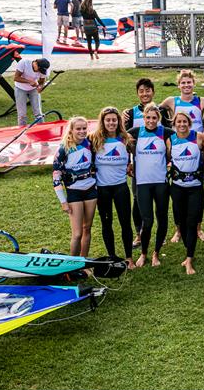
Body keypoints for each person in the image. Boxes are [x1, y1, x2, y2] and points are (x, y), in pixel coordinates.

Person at [160, 70, 204, 242]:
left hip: (196, 145)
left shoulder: (202, 101)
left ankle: (198, 228)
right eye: (183, 83)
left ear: (194, 84)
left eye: (189, 82)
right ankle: (178, 230)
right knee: (178, 196)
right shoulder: (171, 101)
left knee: (197, 193)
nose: (186, 85)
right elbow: (155, 111)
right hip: (178, 145)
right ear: (178, 85)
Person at [123, 78, 168, 248]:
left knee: (160, 203)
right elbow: (125, 140)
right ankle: (139, 234)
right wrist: (129, 162)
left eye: (148, 90)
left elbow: (169, 136)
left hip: (158, 166)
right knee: (138, 200)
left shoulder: (162, 111)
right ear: (137, 93)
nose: (144, 94)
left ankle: (160, 235)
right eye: (141, 91)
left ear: (153, 92)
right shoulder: (131, 113)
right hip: (139, 167)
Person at [128, 103, 173, 268]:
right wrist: (128, 163)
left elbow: (184, 136)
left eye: (154, 118)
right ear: (143, 118)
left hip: (161, 183)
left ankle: (155, 253)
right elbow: (119, 141)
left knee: (162, 219)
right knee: (147, 220)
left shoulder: (165, 132)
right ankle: (144, 253)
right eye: (148, 117)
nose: (151, 121)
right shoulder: (135, 132)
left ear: (158, 119)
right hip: (143, 184)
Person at [89, 107, 135, 269]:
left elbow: (136, 155)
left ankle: (129, 257)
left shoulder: (125, 139)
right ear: (102, 122)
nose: (111, 123)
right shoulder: (94, 139)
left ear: (118, 121)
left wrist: (131, 166)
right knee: (106, 223)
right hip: (103, 189)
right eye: (107, 120)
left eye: (114, 120)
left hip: (121, 188)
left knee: (125, 223)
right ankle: (112, 257)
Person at [168, 110, 204, 275]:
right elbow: (167, 157)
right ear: (174, 124)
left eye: (185, 122)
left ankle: (189, 259)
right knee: (181, 221)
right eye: (179, 122)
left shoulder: (199, 137)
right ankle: (188, 249)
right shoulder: (170, 140)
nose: (182, 125)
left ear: (189, 123)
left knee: (192, 222)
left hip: (195, 187)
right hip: (177, 187)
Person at [52, 116, 97, 257]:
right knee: (77, 234)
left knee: (87, 228)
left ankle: (84, 263)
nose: (82, 131)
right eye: (78, 129)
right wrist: (63, 201)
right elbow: (56, 177)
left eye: (84, 128)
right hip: (74, 193)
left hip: (91, 191)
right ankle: (73, 264)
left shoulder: (90, 143)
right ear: (71, 130)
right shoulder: (63, 149)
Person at [13, 57, 49, 126]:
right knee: (22, 114)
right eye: (39, 69)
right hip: (20, 88)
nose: (39, 72)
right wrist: (29, 81)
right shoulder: (24, 63)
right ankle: (22, 133)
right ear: (35, 63)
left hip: (33, 89)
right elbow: (16, 78)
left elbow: (41, 82)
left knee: (38, 113)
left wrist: (40, 87)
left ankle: (41, 131)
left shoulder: (43, 70)